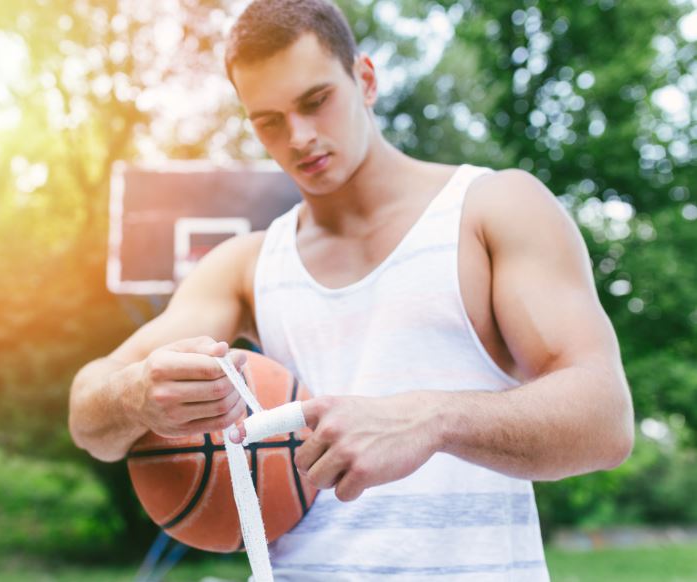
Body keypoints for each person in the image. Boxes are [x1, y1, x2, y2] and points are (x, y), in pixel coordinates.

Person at [68, 0, 634, 579]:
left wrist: (433, 418)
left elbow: (606, 420)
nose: (301, 137)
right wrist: (135, 394)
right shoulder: (244, 265)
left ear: (364, 78)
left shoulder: (492, 209)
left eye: (316, 101)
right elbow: (89, 415)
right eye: (269, 121)